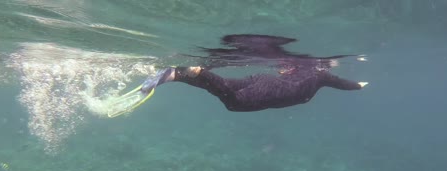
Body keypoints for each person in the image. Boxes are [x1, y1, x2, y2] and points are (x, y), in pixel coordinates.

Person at [141, 34, 368, 112]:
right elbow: (343, 84)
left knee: (225, 87)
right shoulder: (322, 75)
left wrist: (357, 85)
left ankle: (174, 75)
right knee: (234, 102)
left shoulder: (314, 71)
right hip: (272, 88)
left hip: (265, 82)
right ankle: (195, 73)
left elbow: (341, 83)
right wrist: (360, 86)